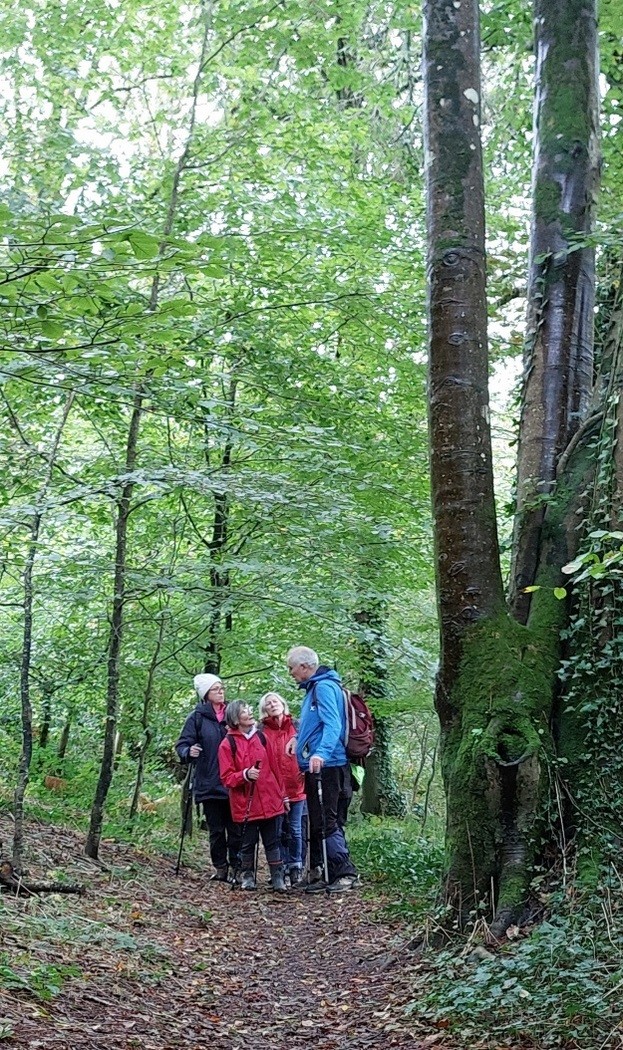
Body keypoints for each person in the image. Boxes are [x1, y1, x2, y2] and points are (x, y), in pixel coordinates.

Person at [285, 646, 359, 893]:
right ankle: (321, 873)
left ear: (305, 666)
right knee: (317, 820)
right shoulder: (314, 689)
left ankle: (344, 872)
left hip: (329, 766)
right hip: (317, 766)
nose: (290, 672)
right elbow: (315, 725)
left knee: (328, 819)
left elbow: (333, 724)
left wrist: (321, 753)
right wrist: (299, 739)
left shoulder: (325, 687)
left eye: (291, 667)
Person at [175, 673, 241, 882]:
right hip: (209, 780)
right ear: (205, 694)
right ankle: (220, 867)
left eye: (221, 687)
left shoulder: (234, 714)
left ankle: (237, 868)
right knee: (216, 829)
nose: (221, 691)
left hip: (234, 781)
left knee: (236, 828)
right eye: (215, 689)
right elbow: (182, 744)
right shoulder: (196, 717)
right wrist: (188, 751)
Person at [218, 700, 289, 893]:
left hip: (271, 800)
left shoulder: (262, 738)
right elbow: (226, 778)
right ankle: (247, 875)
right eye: (244, 711)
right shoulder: (227, 744)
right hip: (245, 803)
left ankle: (277, 877)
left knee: (273, 841)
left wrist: (283, 796)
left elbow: (275, 769)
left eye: (249, 709)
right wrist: (244, 775)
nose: (249, 713)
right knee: (248, 843)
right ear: (235, 718)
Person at [259, 691, 307, 887]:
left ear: (283, 704)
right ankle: (279, 869)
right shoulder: (261, 731)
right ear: (264, 709)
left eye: (275, 701)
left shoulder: (297, 726)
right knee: (277, 831)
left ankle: (295, 866)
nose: (272, 705)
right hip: (274, 789)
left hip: (297, 786)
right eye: (268, 703)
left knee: (295, 829)